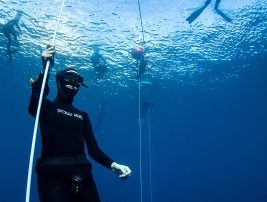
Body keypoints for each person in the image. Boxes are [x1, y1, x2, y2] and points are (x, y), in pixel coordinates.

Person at [28, 45, 131, 202]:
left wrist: (113, 165)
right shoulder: (47, 107)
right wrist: (45, 69)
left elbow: (93, 149)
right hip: (52, 176)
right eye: (69, 77)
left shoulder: (82, 116)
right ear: (60, 80)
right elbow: (35, 104)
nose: (73, 82)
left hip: (84, 177)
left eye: (78, 80)